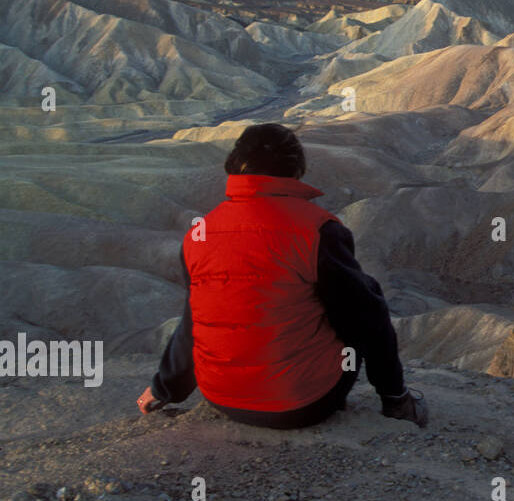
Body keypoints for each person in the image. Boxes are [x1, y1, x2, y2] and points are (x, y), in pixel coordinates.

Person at [137, 123, 427, 429]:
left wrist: (164, 388)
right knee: (365, 298)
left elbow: (193, 320)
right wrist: (392, 388)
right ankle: (397, 402)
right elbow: (364, 316)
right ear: (296, 168)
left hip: (221, 397)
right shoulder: (318, 230)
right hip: (301, 404)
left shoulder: (199, 233)